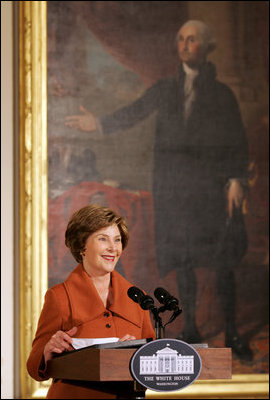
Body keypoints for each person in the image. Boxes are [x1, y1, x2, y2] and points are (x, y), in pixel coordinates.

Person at [65, 20, 253, 360]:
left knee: (222, 263)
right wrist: (100, 123)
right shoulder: (166, 88)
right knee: (184, 262)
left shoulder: (222, 94)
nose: (184, 44)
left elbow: (236, 140)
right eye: (180, 38)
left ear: (206, 47)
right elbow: (136, 111)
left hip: (210, 192)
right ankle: (192, 328)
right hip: (176, 192)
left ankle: (233, 332)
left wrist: (237, 179)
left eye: (192, 39)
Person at [27, 204, 155, 399]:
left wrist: (136, 352)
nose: (113, 248)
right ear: (81, 246)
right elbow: (33, 366)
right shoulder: (59, 296)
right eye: (103, 239)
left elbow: (153, 364)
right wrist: (47, 349)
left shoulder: (138, 298)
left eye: (117, 240)